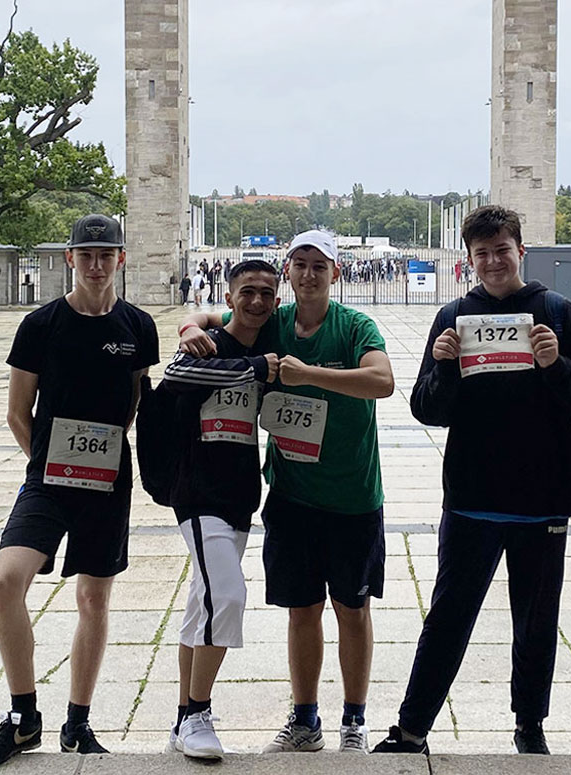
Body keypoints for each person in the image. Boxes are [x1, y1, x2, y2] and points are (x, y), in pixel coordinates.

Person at [372, 205, 571, 756]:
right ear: (469, 260)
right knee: (449, 618)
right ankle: (412, 729)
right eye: (482, 254)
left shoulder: (559, 313)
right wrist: (445, 363)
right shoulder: (454, 315)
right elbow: (427, 408)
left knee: (537, 623)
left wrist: (556, 364)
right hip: (473, 498)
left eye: (502, 250)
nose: (494, 261)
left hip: (542, 498)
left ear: (521, 250)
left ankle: (530, 727)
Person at [179, 228, 395, 753]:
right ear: (288, 273)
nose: (308, 274)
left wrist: (310, 375)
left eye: (319, 266)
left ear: (336, 274)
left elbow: (382, 380)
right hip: (291, 494)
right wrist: (189, 324)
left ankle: (354, 719)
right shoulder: (272, 320)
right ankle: (305, 718)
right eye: (299, 264)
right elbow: (216, 318)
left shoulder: (354, 325)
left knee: (352, 608)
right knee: (301, 610)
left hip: (352, 495)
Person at [0, 214, 158, 766]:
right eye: (86, 255)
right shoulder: (40, 324)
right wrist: (48, 465)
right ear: (70, 259)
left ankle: (78, 721)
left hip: (108, 480)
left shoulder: (138, 326)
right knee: (6, 582)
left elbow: (137, 402)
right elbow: (15, 411)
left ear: (120, 259)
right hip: (47, 479)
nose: (96, 264)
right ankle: (24, 716)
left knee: (94, 598)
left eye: (106, 255)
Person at [159, 260, 283, 759]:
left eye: (266, 293)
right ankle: (198, 712)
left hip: (238, 495)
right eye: (246, 292)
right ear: (229, 297)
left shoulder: (272, 343)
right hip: (196, 491)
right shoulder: (207, 346)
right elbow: (176, 374)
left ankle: (180, 719)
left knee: (202, 602)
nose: (256, 301)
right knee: (227, 595)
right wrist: (194, 324)